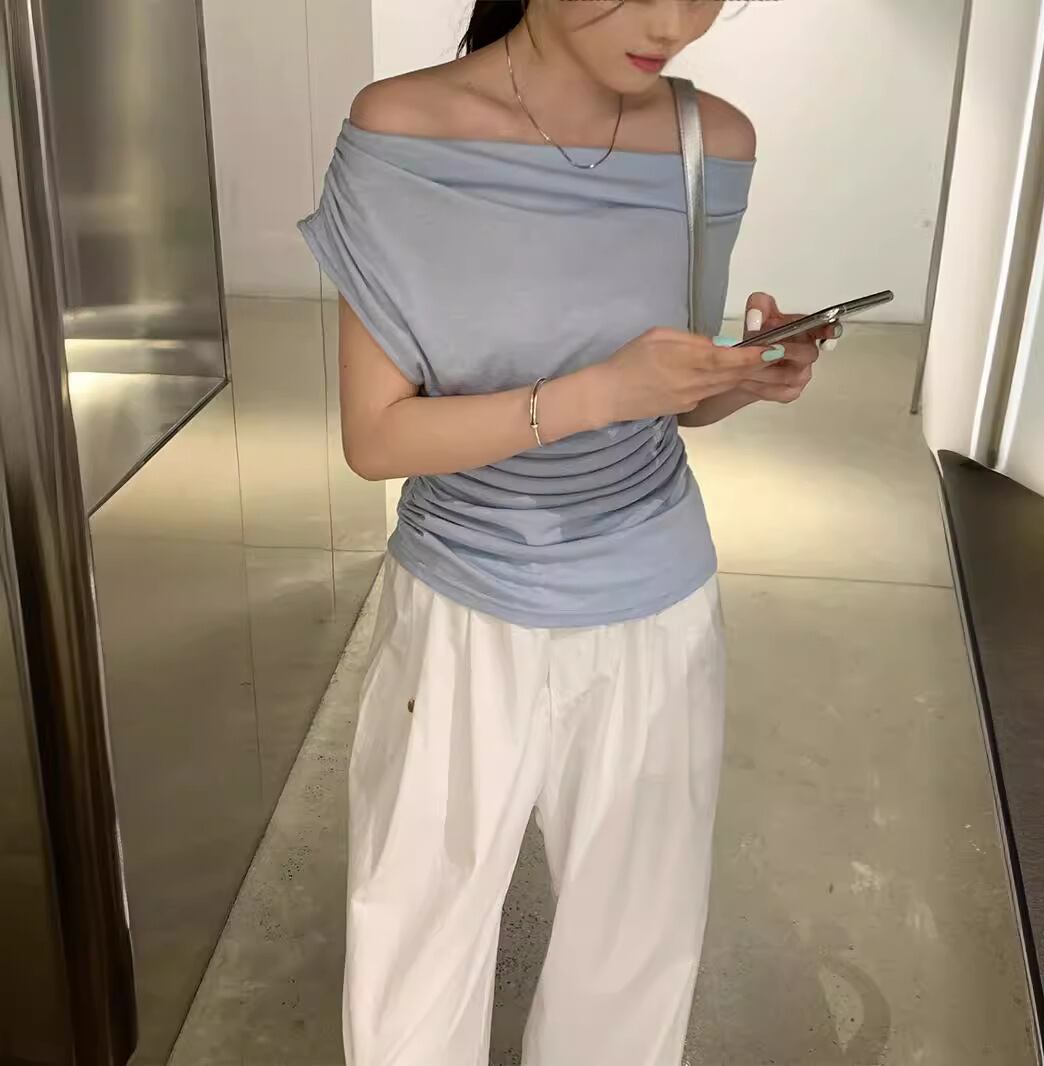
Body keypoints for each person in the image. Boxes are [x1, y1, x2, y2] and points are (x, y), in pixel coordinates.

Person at [298, 2, 835, 1062]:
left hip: (658, 605)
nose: (673, 22)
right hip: (461, 609)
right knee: (414, 952)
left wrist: (743, 378)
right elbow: (377, 437)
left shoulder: (712, 143)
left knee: (633, 959)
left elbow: (667, 405)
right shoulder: (402, 130)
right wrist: (600, 391)